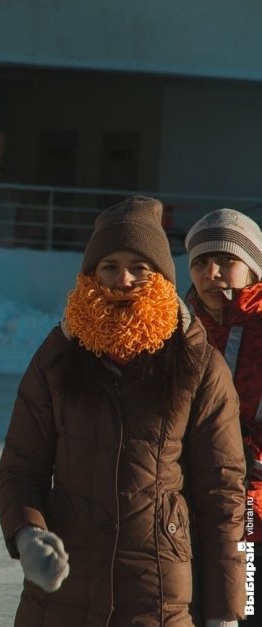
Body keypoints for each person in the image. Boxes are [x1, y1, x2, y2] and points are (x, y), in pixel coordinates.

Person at [0, 195, 246, 626]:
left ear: (161, 277)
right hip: (64, 596)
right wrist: (27, 533)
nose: (123, 279)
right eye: (109, 266)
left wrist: (226, 611)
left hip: (158, 596)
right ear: (91, 274)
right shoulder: (58, 357)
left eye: (138, 266)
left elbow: (221, 493)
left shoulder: (197, 361)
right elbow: (22, 465)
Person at [184, 208, 262, 627]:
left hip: (253, 512)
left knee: (246, 611)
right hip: (187, 508)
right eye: (200, 262)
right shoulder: (177, 331)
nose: (212, 272)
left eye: (226, 260)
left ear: (252, 268)